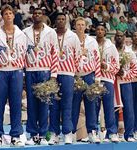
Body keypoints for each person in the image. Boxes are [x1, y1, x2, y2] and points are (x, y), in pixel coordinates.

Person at [0, 4, 26, 148]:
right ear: (2, 17)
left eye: (10, 13)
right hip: (0, 72)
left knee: (16, 104)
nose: (8, 16)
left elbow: (25, 53)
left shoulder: (21, 34)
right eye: (6, 14)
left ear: (14, 16)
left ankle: (16, 135)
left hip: (16, 71)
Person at [23, 7, 59, 145]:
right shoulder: (25, 32)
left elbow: (55, 53)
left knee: (44, 103)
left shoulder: (51, 32)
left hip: (45, 70)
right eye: (35, 13)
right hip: (30, 70)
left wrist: (54, 74)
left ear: (43, 15)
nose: (37, 15)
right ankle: (33, 135)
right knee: (31, 104)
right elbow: (22, 53)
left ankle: (43, 134)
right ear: (32, 16)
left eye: (40, 13)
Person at [48, 13, 80, 145]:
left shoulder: (73, 36)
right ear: (55, 21)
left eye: (63, 19)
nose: (61, 21)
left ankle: (67, 133)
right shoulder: (50, 35)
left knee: (67, 104)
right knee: (53, 105)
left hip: (67, 74)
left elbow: (77, 55)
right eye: (58, 19)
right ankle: (54, 134)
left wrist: (72, 70)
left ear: (66, 21)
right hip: (53, 74)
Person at [71, 17, 101, 143]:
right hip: (75, 75)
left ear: (86, 26)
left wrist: (97, 78)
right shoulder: (70, 40)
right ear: (75, 26)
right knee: (74, 106)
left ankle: (92, 132)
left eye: (83, 25)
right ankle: (71, 133)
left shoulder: (92, 41)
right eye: (78, 24)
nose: (80, 27)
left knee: (91, 105)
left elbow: (97, 59)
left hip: (89, 75)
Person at [95, 23, 119, 142]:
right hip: (95, 80)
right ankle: (94, 132)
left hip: (108, 79)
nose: (100, 31)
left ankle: (112, 132)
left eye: (102, 30)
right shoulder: (91, 44)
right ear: (95, 31)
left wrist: (107, 66)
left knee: (109, 107)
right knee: (94, 107)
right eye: (98, 29)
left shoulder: (111, 46)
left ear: (105, 32)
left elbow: (117, 66)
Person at [114, 30, 137, 142]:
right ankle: (112, 133)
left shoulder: (130, 52)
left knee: (129, 108)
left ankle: (129, 134)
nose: (119, 38)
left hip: (126, 83)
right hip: (113, 82)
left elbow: (135, 69)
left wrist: (124, 74)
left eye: (121, 36)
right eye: (117, 36)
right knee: (113, 108)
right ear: (114, 38)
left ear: (124, 38)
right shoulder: (111, 50)